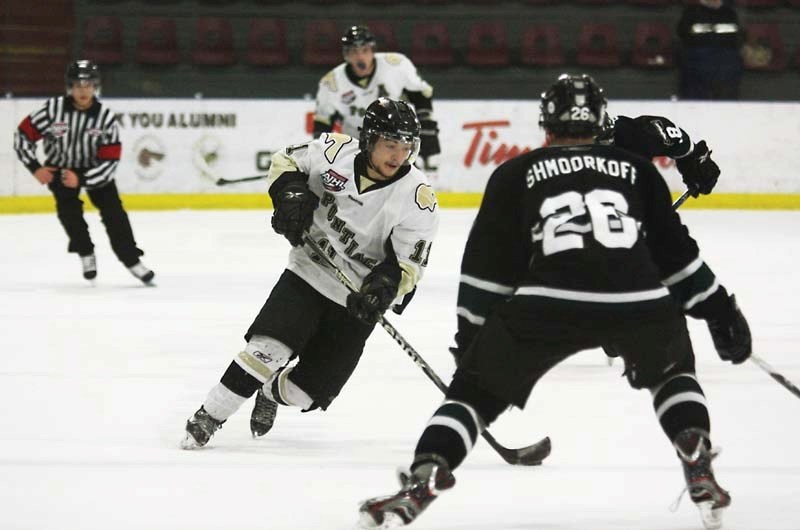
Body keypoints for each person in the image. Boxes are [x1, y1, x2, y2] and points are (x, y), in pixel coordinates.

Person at [358, 75, 752, 530]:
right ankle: (695, 451)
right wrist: (720, 311)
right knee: (672, 374)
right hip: (634, 294)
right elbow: (678, 258)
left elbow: (487, 270)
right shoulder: (639, 168)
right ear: (601, 120)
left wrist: (472, 341)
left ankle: (425, 475)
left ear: (545, 125)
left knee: (473, 395)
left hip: (548, 298)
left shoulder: (514, 174)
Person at [181, 98, 439, 449]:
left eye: (406, 147)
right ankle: (208, 416)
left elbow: (410, 265)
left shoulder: (417, 197)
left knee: (307, 394)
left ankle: (270, 391)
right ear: (368, 140)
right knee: (266, 350)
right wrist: (290, 194)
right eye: (390, 145)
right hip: (309, 271)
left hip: (355, 301)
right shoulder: (334, 151)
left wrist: (385, 286)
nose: (398, 156)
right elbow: (285, 160)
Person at [13, 60, 154, 284]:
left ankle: (131, 260)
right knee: (69, 213)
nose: (83, 90)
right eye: (78, 85)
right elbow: (22, 136)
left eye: (88, 84)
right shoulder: (52, 110)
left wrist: (83, 178)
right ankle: (85, 252)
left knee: (114, 214)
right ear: (70, 87)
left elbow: (110, 161)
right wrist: (35, 167)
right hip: (60, 168)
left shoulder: (105, 117)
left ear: (95, 87)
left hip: (95, 169)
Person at [312, 25, 441, 172]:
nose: (360, 57)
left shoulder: (395, 65)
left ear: (372, 50)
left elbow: (421, 93)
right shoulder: (332, 83)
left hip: (394, 141)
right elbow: (322, 123)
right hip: (356, 144)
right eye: (354, 52)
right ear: (347, 55)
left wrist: (427, 125)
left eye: (365, 50)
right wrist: (321, 153)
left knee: (403, 183)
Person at [677, 0, 744, 100]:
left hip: (724, 59)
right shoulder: (691, 12)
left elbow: (734, 39)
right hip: (698, 58)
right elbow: (684, 36)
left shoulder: (729, 13)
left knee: (730, 60)